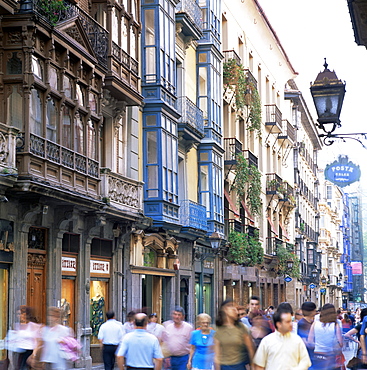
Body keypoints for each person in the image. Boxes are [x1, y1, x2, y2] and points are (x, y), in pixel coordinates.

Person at [214, 299, 254, 370]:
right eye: (231, 306)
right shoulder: (218, 330)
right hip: (224, 366)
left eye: (236, 308)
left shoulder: (242, 327)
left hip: (239, 366)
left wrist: (252, 366)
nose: (234, 309)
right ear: (224, 310)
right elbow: (217, 355)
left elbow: (250, 350)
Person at [308, 303, 343, 370]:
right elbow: (340, 343)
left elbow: (310, 341)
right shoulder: (335, 325)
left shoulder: (315, 324)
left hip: (317, 355)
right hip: (331, 356)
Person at [12, 306, 41, 370]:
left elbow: (37, 341)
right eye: (18, 314)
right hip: (19, 352)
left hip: (29, 352)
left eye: (21, 314)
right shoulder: (17, 325)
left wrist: (34, 355)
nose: (19, 316)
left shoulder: (33, 325)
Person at [297, 301, 317, 368]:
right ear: (311, 311)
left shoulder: (312, 321)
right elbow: (304, 339)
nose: (316, 311)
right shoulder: (302, 323)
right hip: (308, 353)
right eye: (314, 310)